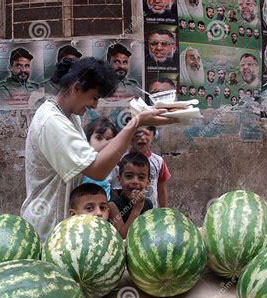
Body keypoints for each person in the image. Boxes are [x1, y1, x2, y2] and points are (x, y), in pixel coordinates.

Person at [20, 57, 178, 242]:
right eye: (94, 97)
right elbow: (97, 170)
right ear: (76, 88)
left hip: (63, 225)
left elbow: (92, 152)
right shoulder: (52, 122)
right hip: (47, 227)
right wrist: (134, 123)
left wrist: (132, 128)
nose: (95, 105)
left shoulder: (70, 117)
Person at [112, 127, 171, 209]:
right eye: (138, 131)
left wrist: (164, 211)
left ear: (153, 135)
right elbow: (115, 189)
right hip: (126, 212)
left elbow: (161, 190)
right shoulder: (120, 160)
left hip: (151, 212)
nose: (142, 137)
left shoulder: (158, 161)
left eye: (147, 131)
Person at [109, 152, 154, 238]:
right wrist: (136, 209)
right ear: (119, 179)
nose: (135, 181)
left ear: (148, 182)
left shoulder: (148, 204)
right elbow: (122, 237)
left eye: (141, 177)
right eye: (129, 176)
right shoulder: (113, 206)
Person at [82, 117, 118, 200]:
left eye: (109, 139)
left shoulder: (113, 166)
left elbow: (113, 189)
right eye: (99, 138)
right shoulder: (82, 162)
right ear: (88, 140)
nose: (105, 143)